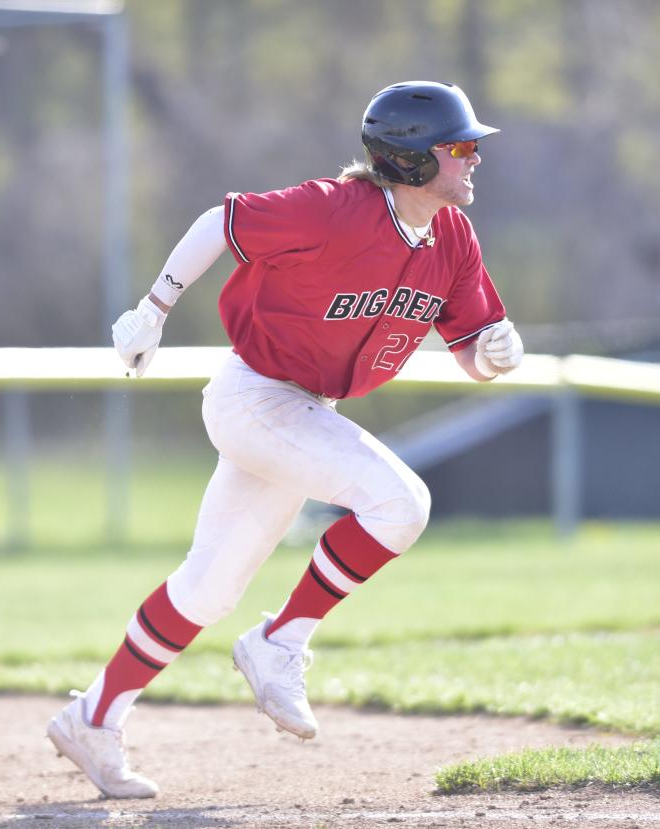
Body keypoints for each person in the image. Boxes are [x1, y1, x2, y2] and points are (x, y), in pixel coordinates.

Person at [46, 80, 524, 799]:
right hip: (255, 395)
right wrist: (153, 309)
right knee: (401, 504)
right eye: (459, 147)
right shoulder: (335, 209)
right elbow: (220, 221)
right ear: (412, 160)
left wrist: (494, 354)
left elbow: (470, 354)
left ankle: (93, 715)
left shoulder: (451, 237)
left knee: (207, 588)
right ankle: (281, 641)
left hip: (302, 408)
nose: (474, 159)